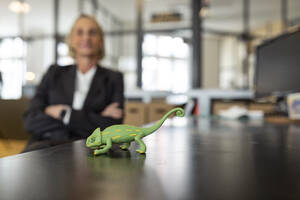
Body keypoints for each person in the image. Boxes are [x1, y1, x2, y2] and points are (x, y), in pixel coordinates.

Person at [22, 14, 124, 152]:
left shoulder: (114, 79)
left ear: (100, 40)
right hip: (43, 146)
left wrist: (65, 114)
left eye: (92, 32)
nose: (86, 37)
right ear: (71, 40)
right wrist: (95, 118)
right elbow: (30, 120)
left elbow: (113, 128)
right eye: (80, 32)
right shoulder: (54, 73)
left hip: (89, 149)